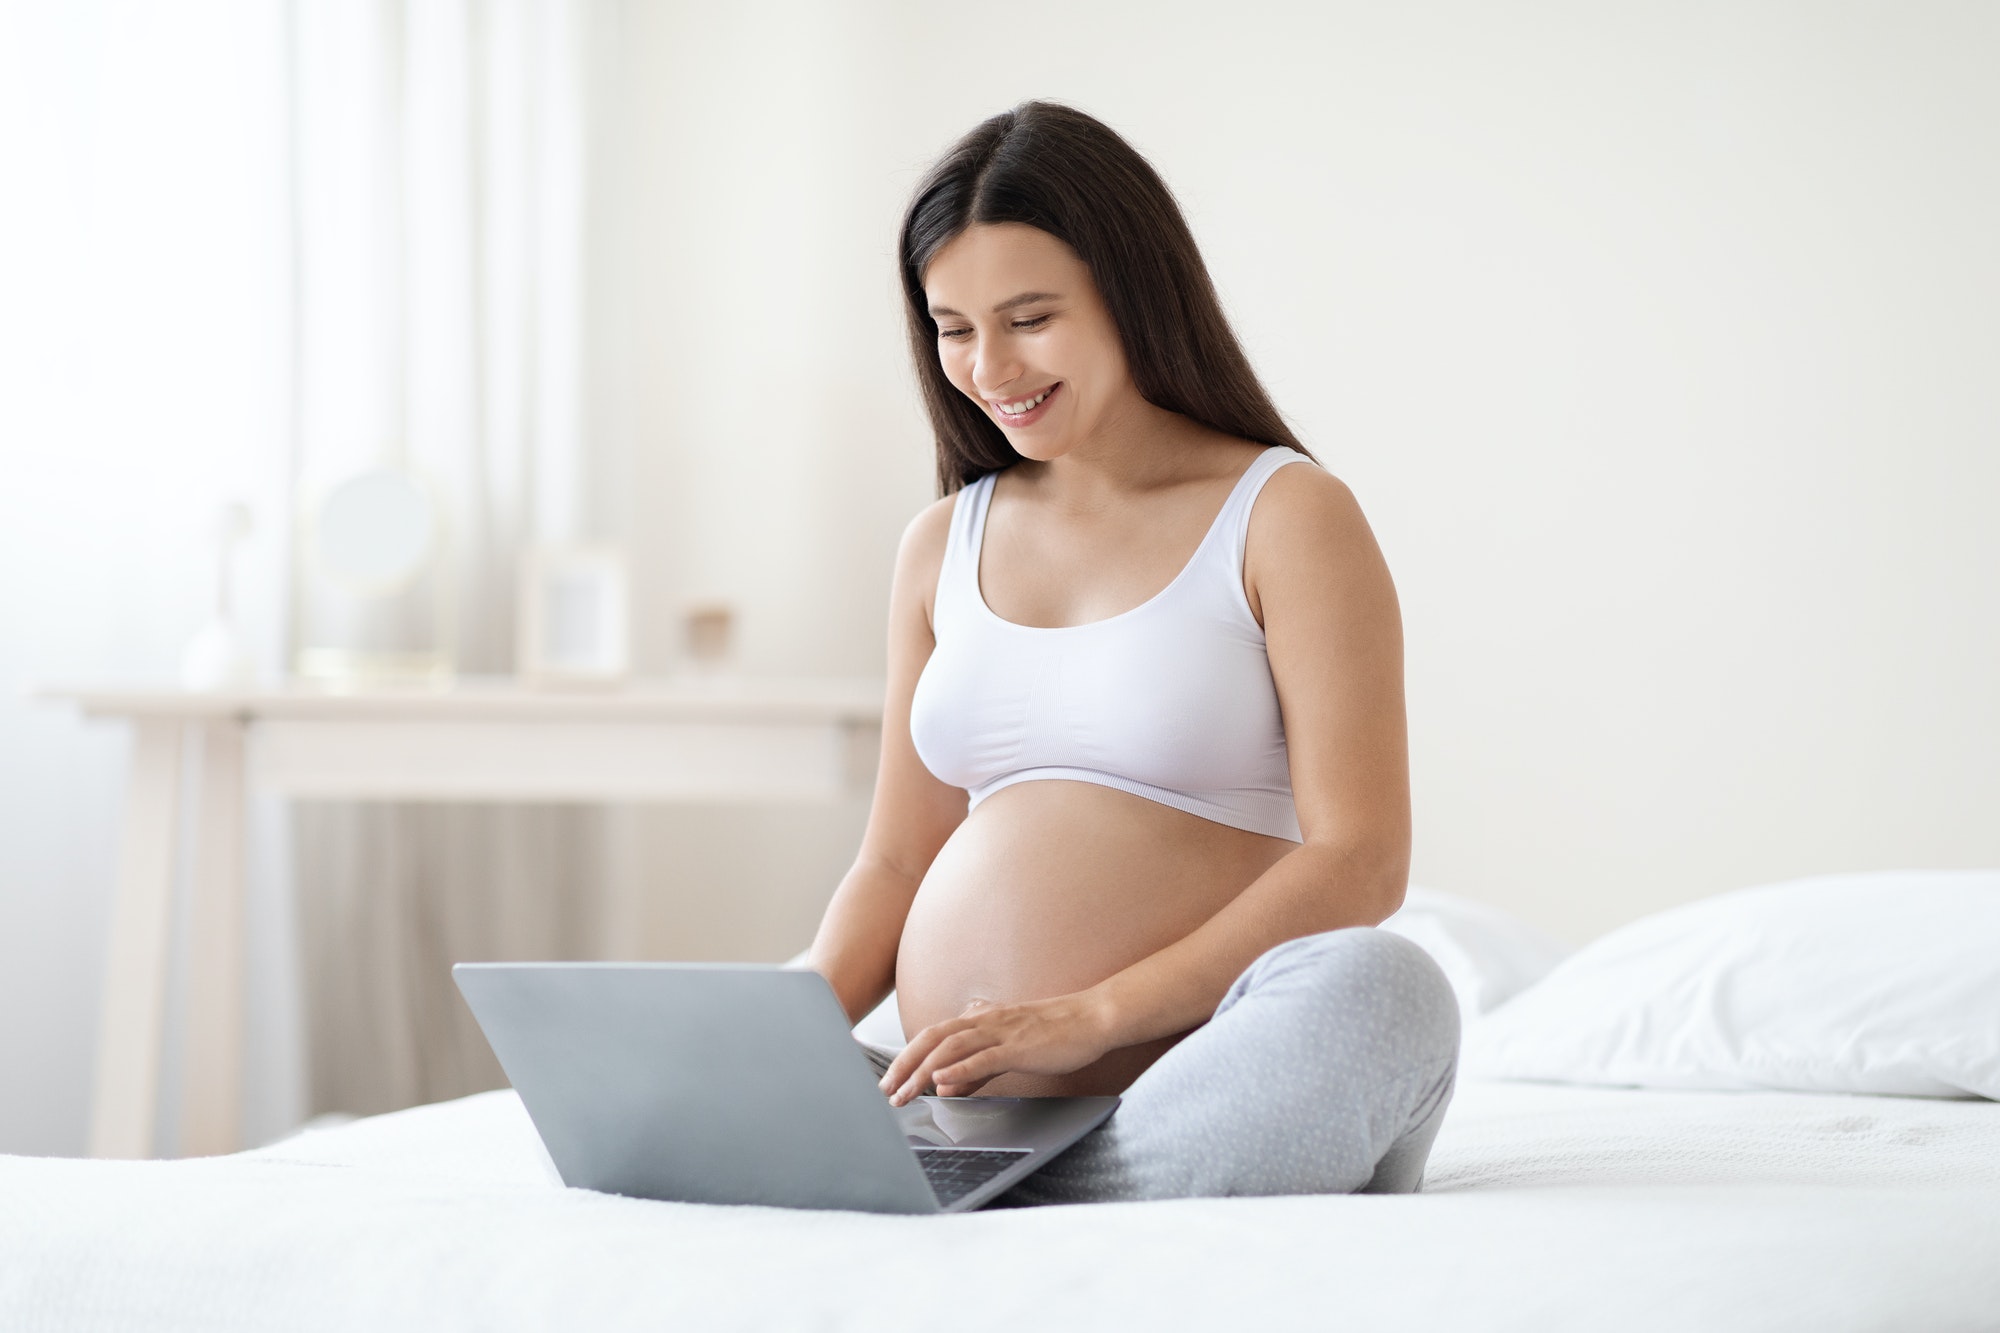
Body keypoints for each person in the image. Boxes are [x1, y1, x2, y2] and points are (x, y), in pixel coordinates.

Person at [805, 100, 1459, 1204]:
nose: (987, 365)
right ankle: (966, 1167)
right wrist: (771, 1041)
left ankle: (1083, 1182)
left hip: (1186, 1081)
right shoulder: (939, 543)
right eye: (951, 327)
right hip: (969, 1107)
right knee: (641, 1073)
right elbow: (895, 864)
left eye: (1028, 317)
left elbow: (1360, 860)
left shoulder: (1284, 514)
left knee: (1384, 992)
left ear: (1130, 291)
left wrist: (1089, 1016)